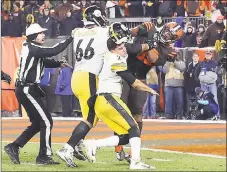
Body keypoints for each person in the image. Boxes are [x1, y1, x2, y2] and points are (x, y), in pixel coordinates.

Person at [83, 36, 158, 170]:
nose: (124, 49)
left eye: (123, 46)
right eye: (120, 48)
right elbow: (132, 81)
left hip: (104, 100)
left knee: (127, 136)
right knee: (134, 128)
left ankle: (94, 144)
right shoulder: (114, 59)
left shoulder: (108, 56)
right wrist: (149, 89)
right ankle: (136, 162)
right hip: (108, 98)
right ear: (114, 50)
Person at [4, 23, 74, 165]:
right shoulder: (32, 47)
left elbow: (45, 60)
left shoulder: (31, 48)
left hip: (27, 89)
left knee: (38, 123)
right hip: (27, 89)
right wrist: (70, 38)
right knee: (47, 121)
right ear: (33, 36)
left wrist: (58, 64)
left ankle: (14, 146)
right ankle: (44, 156)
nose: (43, 35)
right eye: (41, 33)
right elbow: (53, 50)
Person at [115, 21, 184, 161]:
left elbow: (154, 59)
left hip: (140, 78)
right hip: (124, 74)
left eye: (169, 35)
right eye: (165, 31)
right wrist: (138, 32)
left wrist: (149, 45)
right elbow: (130, 36)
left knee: (138, 114)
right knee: (120, 112)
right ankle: (118, 148)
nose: (165, 35)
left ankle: (134, 150)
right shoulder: (150, 28)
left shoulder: (168, 51)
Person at [56, 5, 110, 167]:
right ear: (97, 17)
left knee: (89, 116)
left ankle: (78, 142)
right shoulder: (103, 31)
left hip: (77, 76)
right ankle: (69, 147)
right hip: (89, 77)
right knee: (92, 117)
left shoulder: (77, 32)